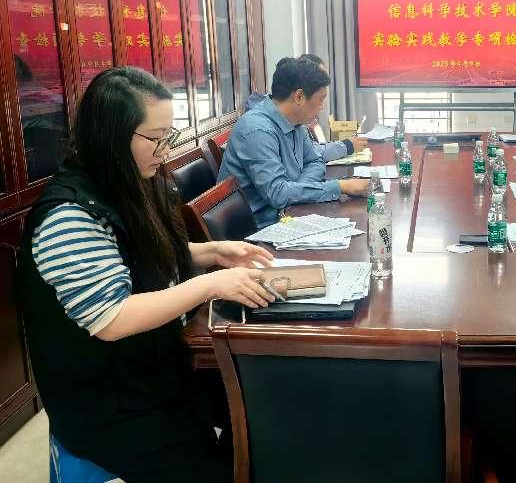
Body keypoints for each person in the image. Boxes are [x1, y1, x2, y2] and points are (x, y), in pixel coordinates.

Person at [17, 67, 277, 483]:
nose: (163, 151)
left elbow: (138, 256)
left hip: (157, 368)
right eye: (155, 139)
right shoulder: (69, 216)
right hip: (110, 401)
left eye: (167, 136)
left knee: (258, 409)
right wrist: (209, 283)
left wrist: (212, 251)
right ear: (111, 136)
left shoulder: (130, 180)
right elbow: (112, 318)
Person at [219, 57, 368, 228]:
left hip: (289, 213)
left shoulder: (295, 121)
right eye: (321, 99)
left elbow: (315, 160)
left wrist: (297, 189)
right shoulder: (257, 130)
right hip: (260, 227)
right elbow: (278, 194)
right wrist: (340, 187)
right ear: (299, 97)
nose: (322, 106)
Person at [297, 53, 369, 161]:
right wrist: (348, 146)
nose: (322, 107)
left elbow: (313, 153)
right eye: (321, 77)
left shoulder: (301, 123)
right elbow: (313, 154)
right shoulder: (277, 127)